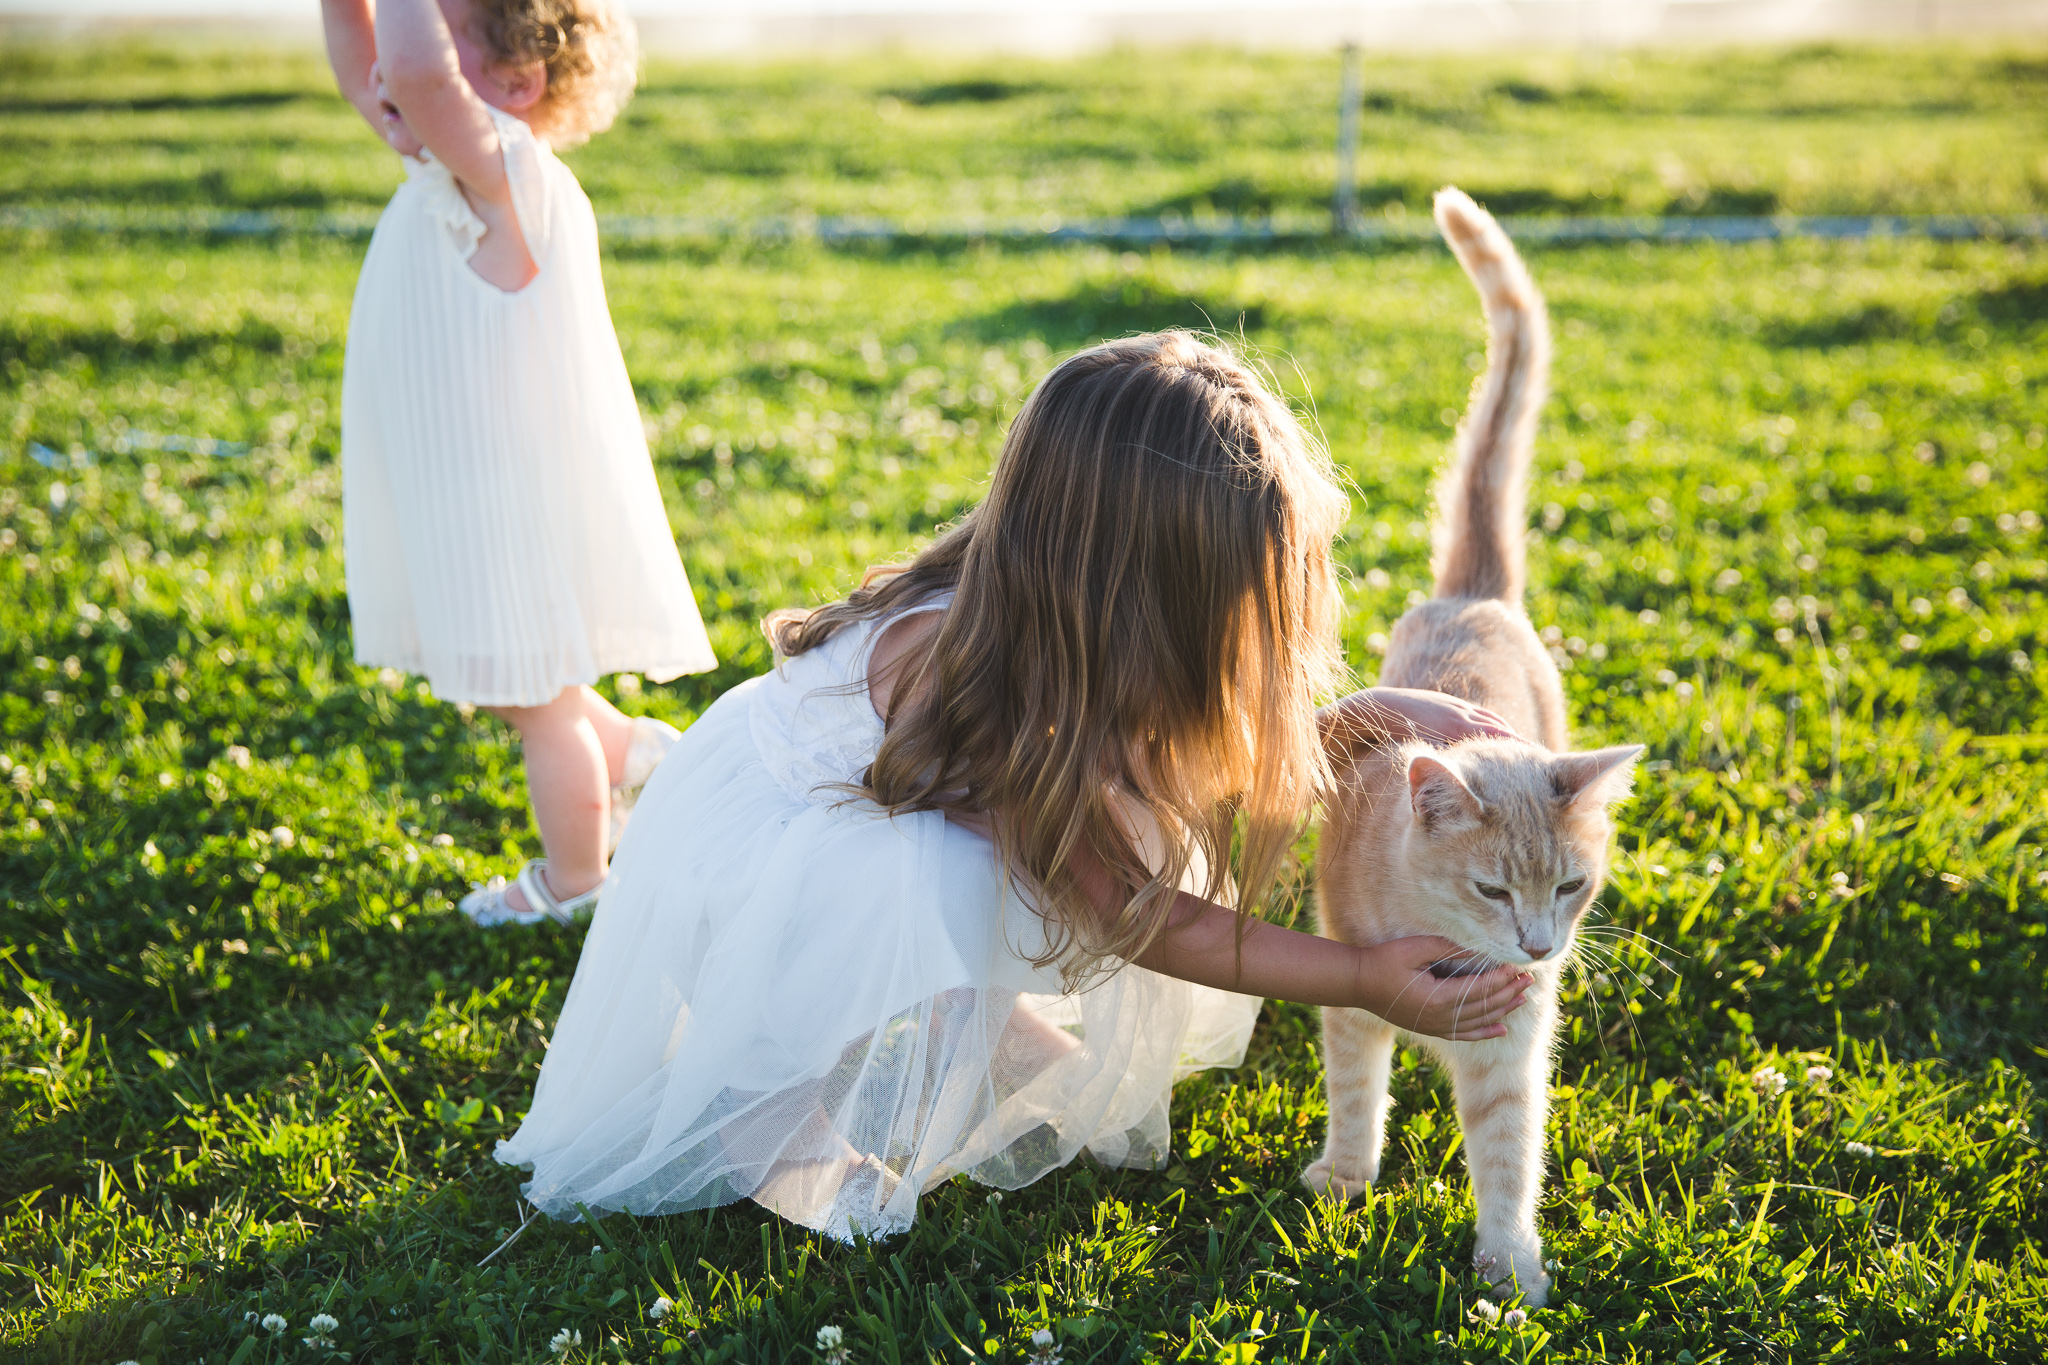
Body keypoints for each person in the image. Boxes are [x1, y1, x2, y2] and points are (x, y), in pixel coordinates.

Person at [495, 332, 1531, 1241]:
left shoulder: (1065, 634)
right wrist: (1357, 977)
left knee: (998, 849)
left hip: (884, 809)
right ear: (1142, 600)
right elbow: (1134, 915)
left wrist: (1365, 721)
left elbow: (1185, 766)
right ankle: (761, 1107)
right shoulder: (976, 690)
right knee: (941, 876)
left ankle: (968, 1017)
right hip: (771, 868)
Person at [320, 0, 716, 925]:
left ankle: (577, 883)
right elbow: (371, 62)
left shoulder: (507, 172)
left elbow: (417, 76)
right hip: (459, 487)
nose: (402, 47)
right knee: (518, 688)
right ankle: (628, 753)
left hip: (501, 497)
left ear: (513, 82)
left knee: (534, 699)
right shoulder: (446, 165)